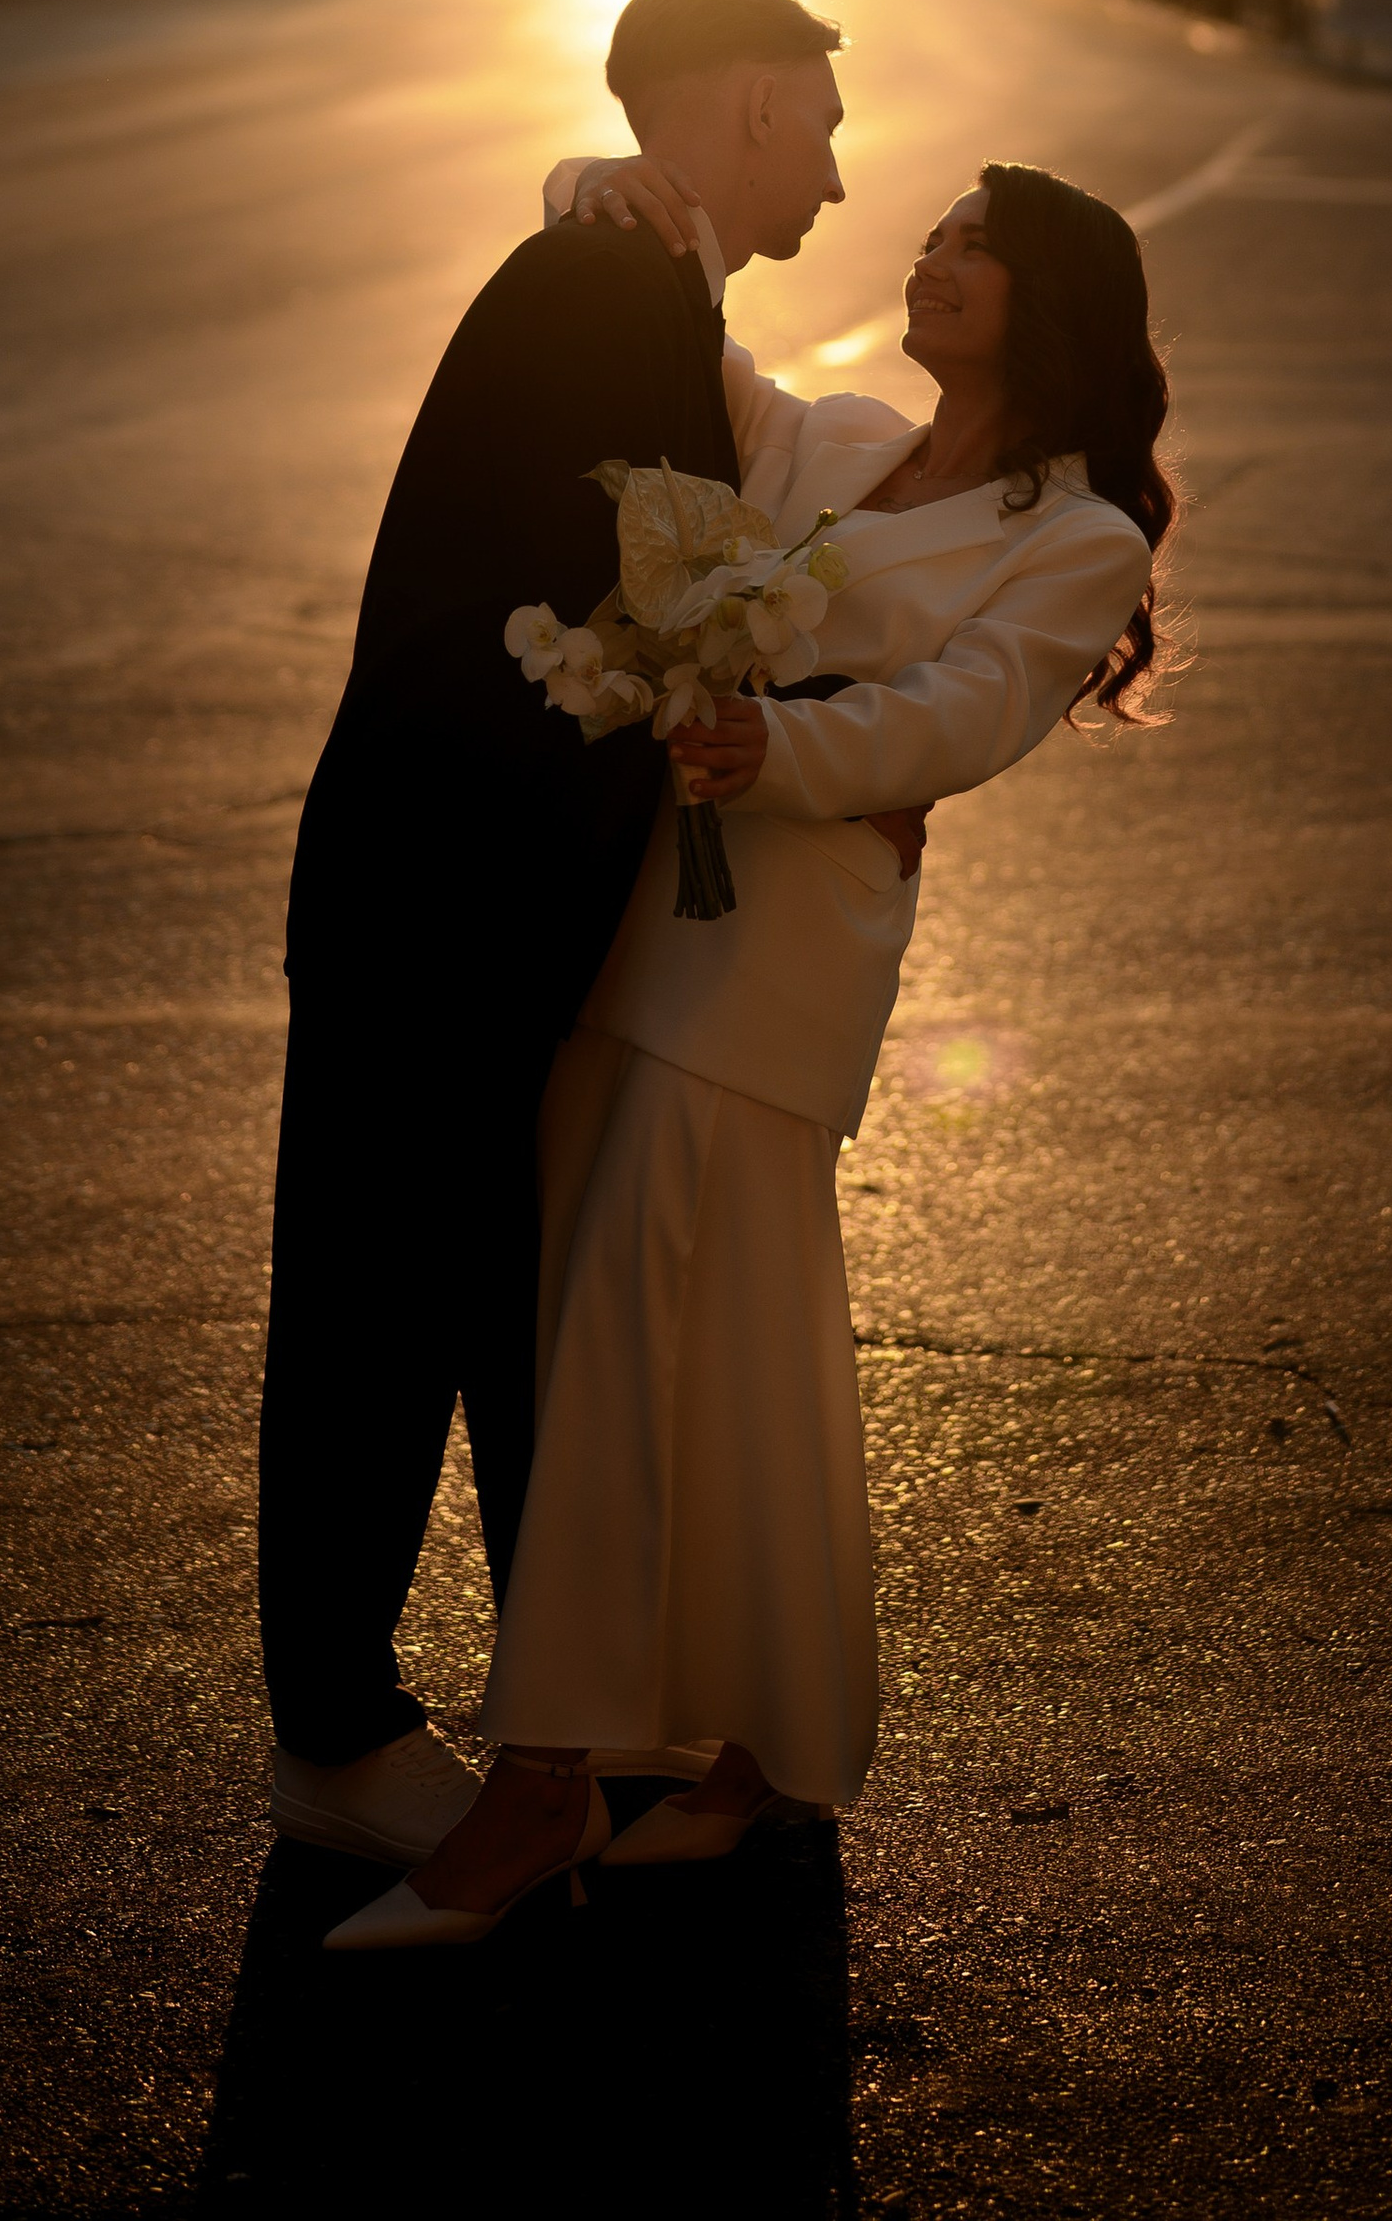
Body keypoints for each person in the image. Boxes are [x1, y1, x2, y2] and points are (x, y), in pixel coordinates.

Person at [329, 153, 1174, 1944]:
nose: (931, 256)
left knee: (634, 1319)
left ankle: (547, 1780)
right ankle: (761, 1740)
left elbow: (963, 714)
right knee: (694, 1340)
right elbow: (704, 377)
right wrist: (628, 200)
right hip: (649, 909)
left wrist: (771, 759)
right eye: (935, 236)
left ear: (1053, 299)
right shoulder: (843, 441)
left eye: (972, 246)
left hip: (777, 957)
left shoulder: (1079, 535)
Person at [260, 0, 849, 1868]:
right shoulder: (601, 288)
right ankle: (339, 1738)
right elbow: (635, 599)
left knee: (507, 1311)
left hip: (497, 900)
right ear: (753, 106)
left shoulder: (638, 282)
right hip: (441, 889)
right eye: (823, 126)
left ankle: (572, 1716)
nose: (837, 178)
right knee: (377, 1305)